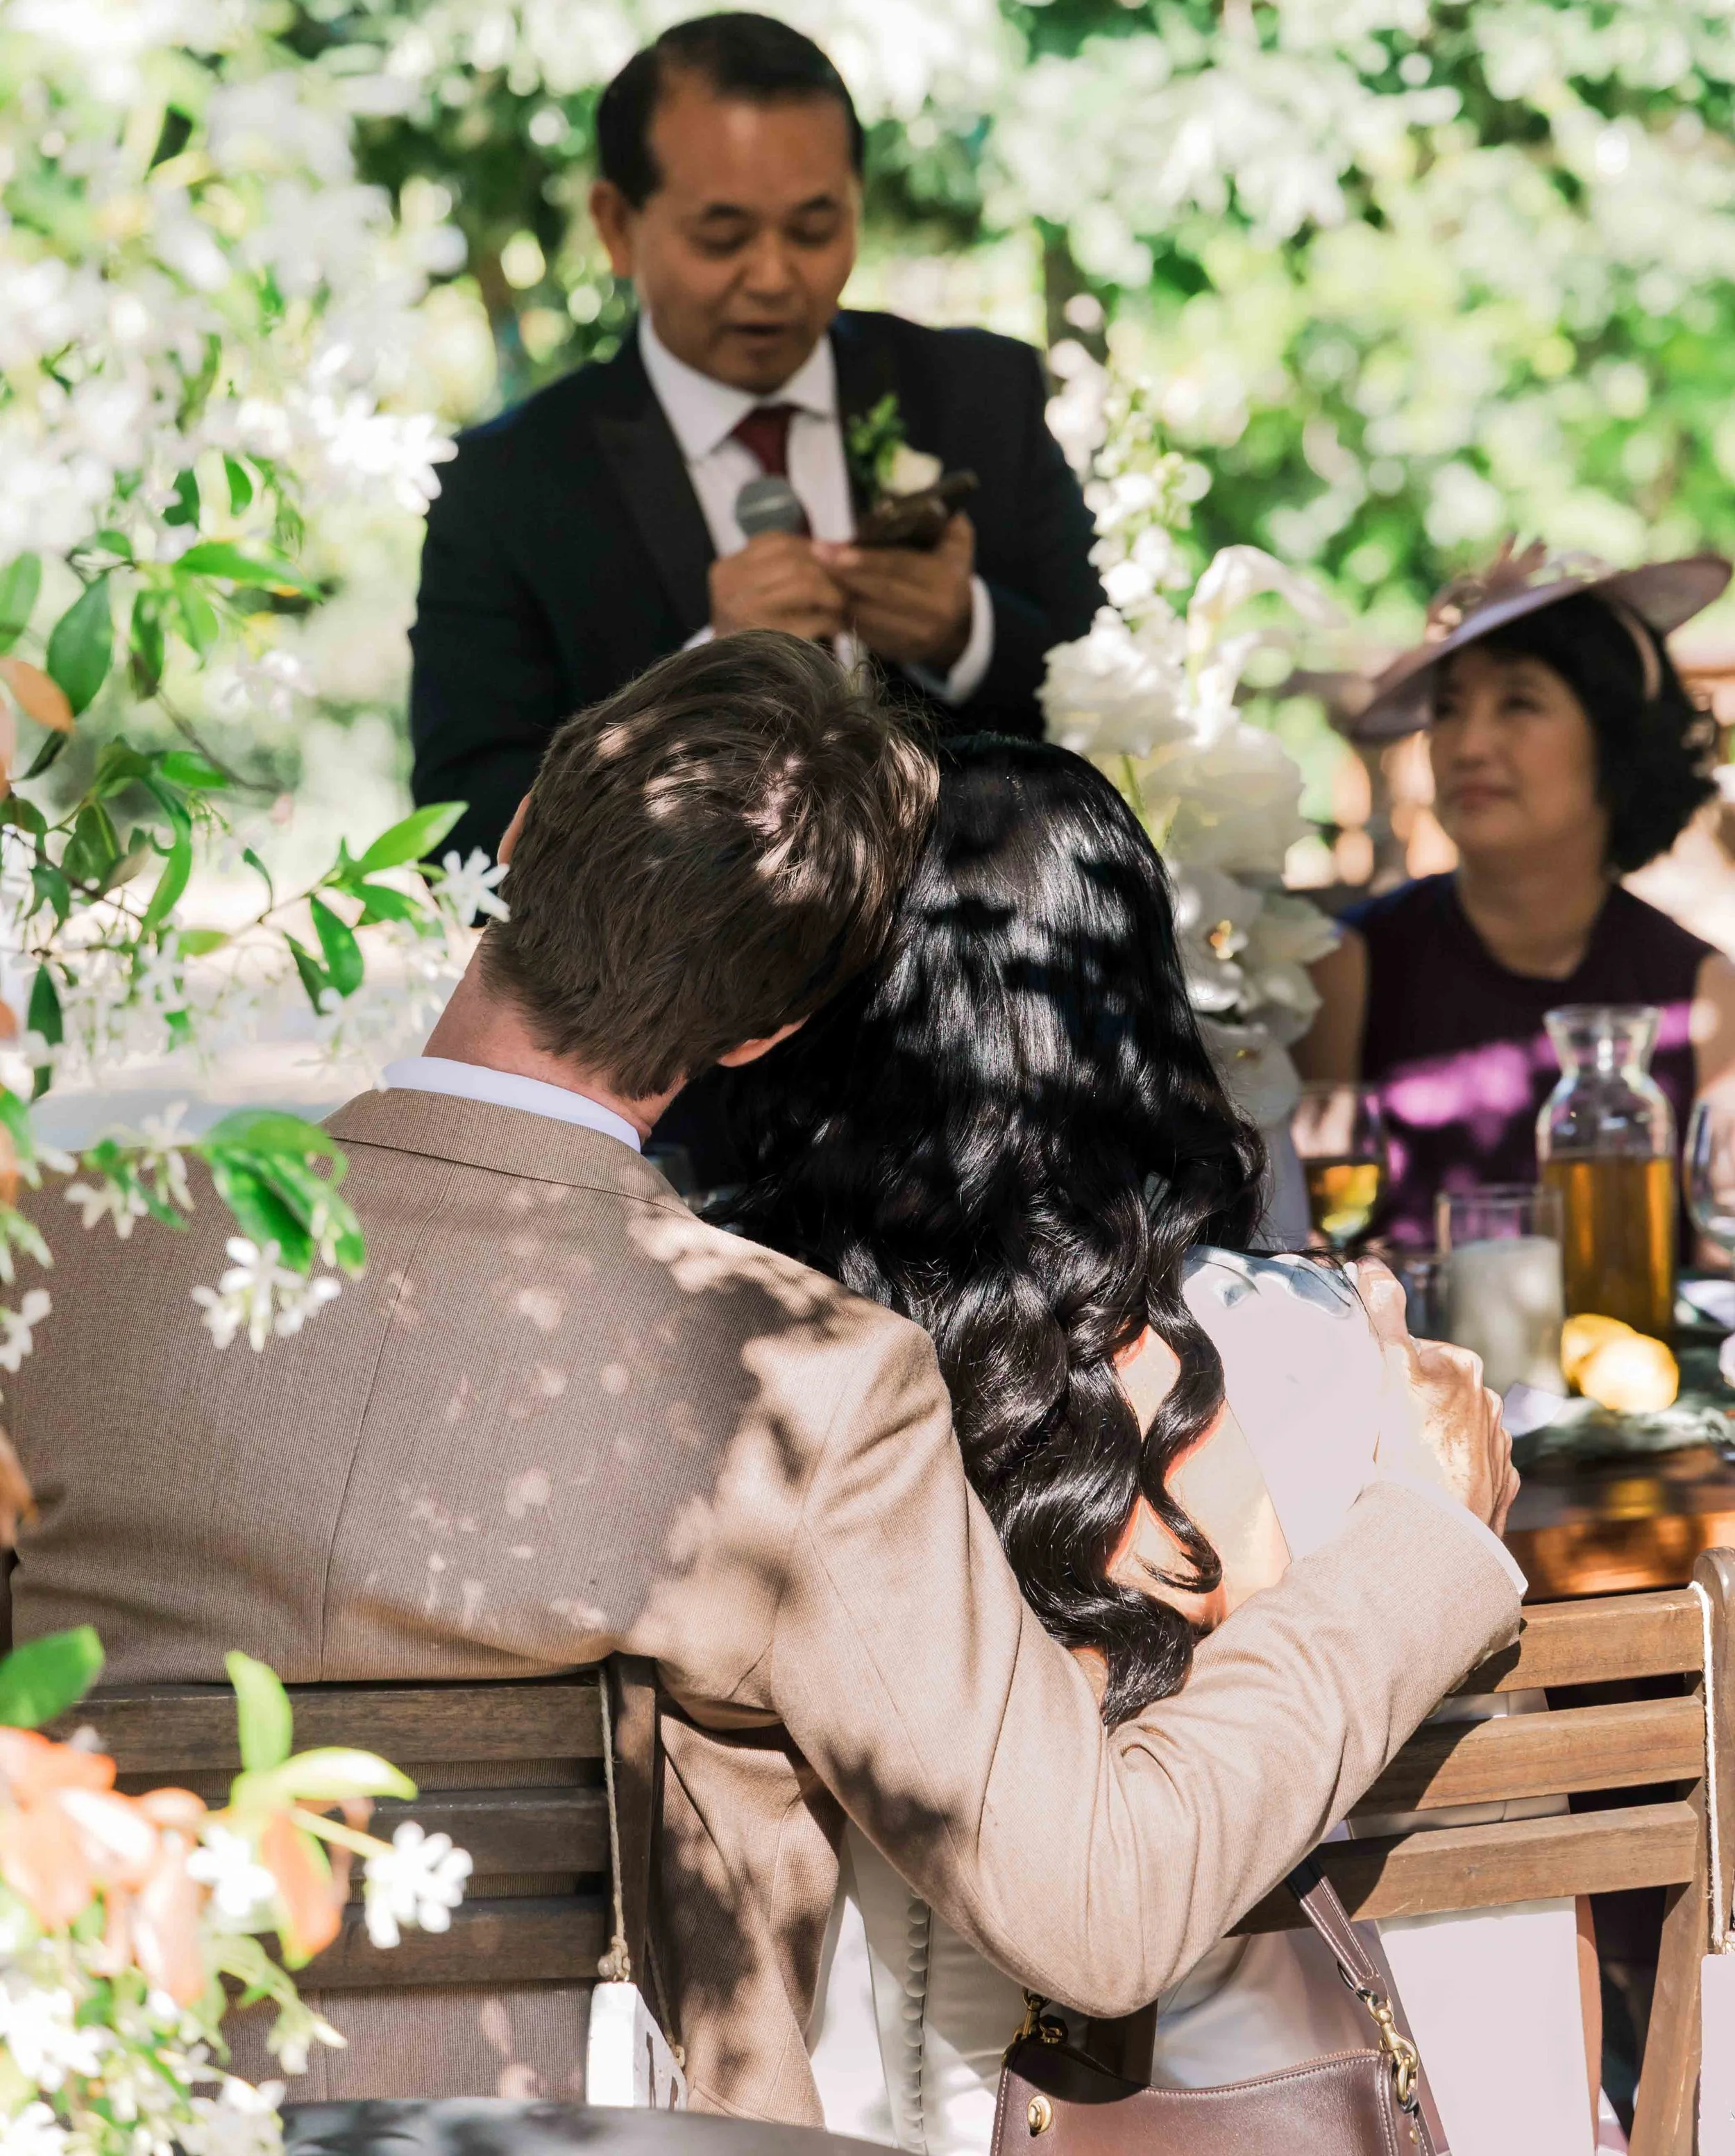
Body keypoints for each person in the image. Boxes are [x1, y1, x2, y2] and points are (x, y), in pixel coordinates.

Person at [9, 637, 1518, 2121]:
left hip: (108, 2099)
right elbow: (1099, 1909)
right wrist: (1412, 1542)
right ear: (764, 1031)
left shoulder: (67, 1255)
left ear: (521, 832)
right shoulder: (794, 1386)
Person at [723, 736, 1586, 2155]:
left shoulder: (779, 1382)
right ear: (1138, 1002)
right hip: (1313, 2103)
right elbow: (1496, 1860)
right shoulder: (1326, 1357)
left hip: (885, 2107)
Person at [409, 11, 1104, 868]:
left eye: (814, 230)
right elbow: (460, 836)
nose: (774, 277)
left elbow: (1118, 687)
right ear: (617, 227)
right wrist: (693, 688)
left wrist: (966, 631)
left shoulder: (977, 396)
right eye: (723, 237)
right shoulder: (509, 485)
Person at [1297, 542, 1735, 1249]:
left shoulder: (1705, 992)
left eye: (1518, 703)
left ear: (1615, 742)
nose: (1467, 744)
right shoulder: (1348, 965)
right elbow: (1309, 1250)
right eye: (1447, 708)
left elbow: (1722, 1268)